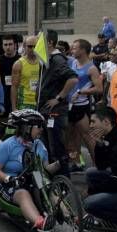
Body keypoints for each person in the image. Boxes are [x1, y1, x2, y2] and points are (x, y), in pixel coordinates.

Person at [0, 109, 57, 232]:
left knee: (50, 189)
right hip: (9, 181)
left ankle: (74, 219)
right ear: (26, 128)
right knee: (23, 194)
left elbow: (46, 170)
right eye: (38, 127)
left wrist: (60, 163)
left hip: (32, 179)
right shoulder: (8, 144)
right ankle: (40, 222)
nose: (41, 129)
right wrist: (8, 178)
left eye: (42, 126)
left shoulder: (39, 145)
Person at [37, 30, 78, 176]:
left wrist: (58, 98)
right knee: (47, 147)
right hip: (45, 111)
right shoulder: (47, 60)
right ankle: (54, 180)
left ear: (49, 43)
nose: (36, 44)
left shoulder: (57, 60)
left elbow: (73, 78)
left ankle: (63, 181)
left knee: (57, 148)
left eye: (39, 40)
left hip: (55, 112)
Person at [67, 39, 103, 172]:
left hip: (81, 106)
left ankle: (98, 165)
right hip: (69, 105)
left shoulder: (92, 68)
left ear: (83, 50)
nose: (72, 50)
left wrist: (82, 91)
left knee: (88, 137)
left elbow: (99, 89)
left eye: (75, 48)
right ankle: (76, 162)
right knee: (71, 137)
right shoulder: (72, 62)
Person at [0, 34, 20, 138]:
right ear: (2, 46)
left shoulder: (21, 60)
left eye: (10, 44)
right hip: (3, 96)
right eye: (5, 44)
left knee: (16, 127)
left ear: (15, 45)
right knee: (2, 127)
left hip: (17, 96)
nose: (8, 47)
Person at [11, 35, 40, 113]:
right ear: (24, 47)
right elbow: (14, 87)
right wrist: (14, 108)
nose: (33, 49)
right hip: (24, 102)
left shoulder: (42, 63)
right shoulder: (18, 64)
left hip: (40, 102)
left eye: (35, 46)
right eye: (30, 46)